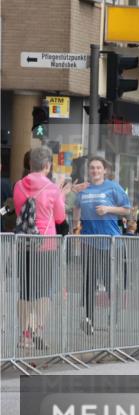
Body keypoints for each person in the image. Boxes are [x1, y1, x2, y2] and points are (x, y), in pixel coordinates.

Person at [12, 146, 70, 351]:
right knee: (43, 292)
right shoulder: (52, 188)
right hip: (45, 245)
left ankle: (24, 335)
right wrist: (62, 195)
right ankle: (37, 331)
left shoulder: (18, 185)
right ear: (47, 166)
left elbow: (20, 211)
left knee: (25, 292)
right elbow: (60, 218)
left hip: (23, 245)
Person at [75, 157, 131, 332]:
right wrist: (75, 226)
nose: (95, 171)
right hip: (89, 241)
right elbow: (76, 207)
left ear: (104, 170)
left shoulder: (113, 187)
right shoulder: (83, 189)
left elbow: (127, 209)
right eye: (92, 168)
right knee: (89, 281)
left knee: (108, 281)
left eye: (98, 168)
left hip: (109, 241)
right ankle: (89, 319)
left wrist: (108, 209)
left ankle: (113, 313)